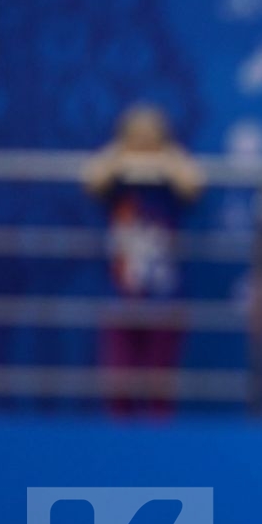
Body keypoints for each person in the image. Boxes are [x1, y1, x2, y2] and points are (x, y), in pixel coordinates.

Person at [81, 104, 205, 417]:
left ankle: (158, 453)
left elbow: (194, 182)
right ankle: (121, 450)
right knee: (118, 386)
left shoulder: (169, 178)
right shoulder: (118, 180)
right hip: (120, 297)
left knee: (159, 389)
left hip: (164, 297)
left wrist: (163, 156)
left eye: (151, 136)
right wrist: (122, 152)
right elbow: (92, 178)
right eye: (136, 136)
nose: (143, 143)